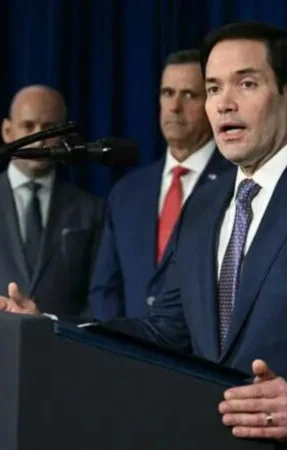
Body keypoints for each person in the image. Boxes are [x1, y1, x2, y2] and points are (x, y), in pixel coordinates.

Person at [0, 23, 287, 448]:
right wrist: (50, 327)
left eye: (246, 84)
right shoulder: (203, 205)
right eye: (213, 88)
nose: (225, 104)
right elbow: (165, 330)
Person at [0, 84, 106, 318]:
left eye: (48, 129)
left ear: (63, 137)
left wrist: (55, 329)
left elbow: (99, 294)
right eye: (28, 126)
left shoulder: (91, 209)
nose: (38, 141)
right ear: (7, 131)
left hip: (61, 340)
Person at [88, 49, 234, 320]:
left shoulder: (235, 184)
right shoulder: (128, 191)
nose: (174, 106)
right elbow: (105, 290)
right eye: (168, 93)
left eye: (189, 95)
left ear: (212, 103)